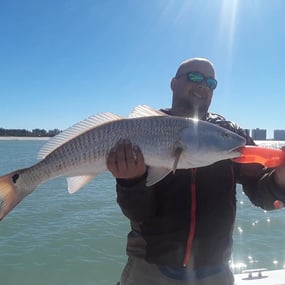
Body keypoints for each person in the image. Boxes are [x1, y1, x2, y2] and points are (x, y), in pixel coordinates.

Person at [107, 58, 285, 285]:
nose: (204, 85)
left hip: (214, 270)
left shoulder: (230, 137)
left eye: (212, 82)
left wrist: (281, 177)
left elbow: (265, 197)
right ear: (173, 83)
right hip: (150, 267)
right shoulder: (144, 128)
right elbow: (139, 214)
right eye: (195, 77)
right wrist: (130, 182)